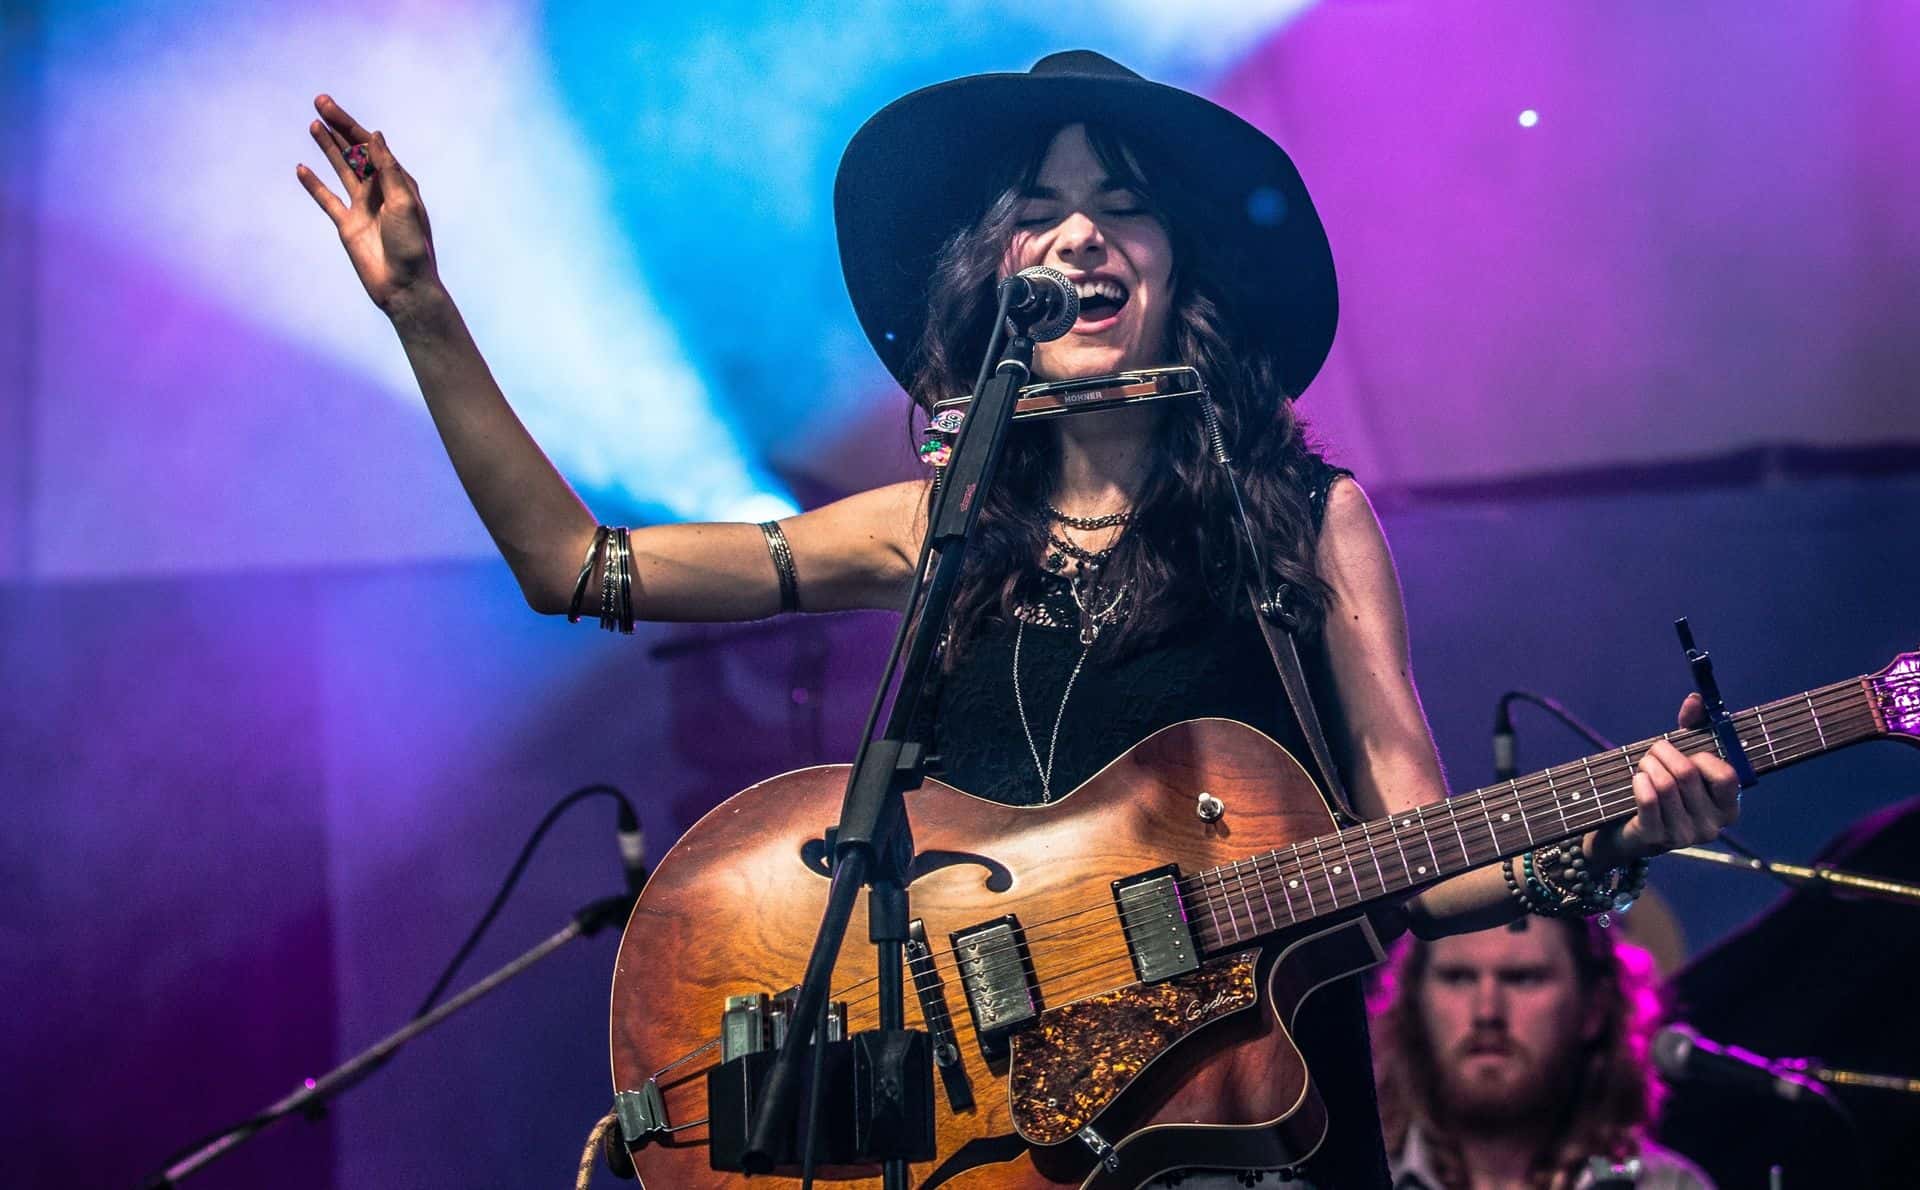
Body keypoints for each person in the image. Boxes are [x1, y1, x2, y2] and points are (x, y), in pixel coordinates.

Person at [297, 49, 1742, 1190]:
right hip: (1005, 1151)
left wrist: (1619, 829)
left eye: (1121, 204)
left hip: (1247, 1144)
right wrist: (425, 311)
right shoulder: (938, 527)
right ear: (997, 270)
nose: (1080, 236)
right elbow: (579, 565)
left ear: (1179, 269)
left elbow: (1425, 864)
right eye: (1041, 211)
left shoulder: (1304, 516)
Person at [1369, 917, 1714, 1190]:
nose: (1487, 1012)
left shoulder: (1667, 1185)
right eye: (1458, 978)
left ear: (1594, 1007)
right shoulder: (1353, 1179)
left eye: (1523, 978)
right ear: (1414, 1003)